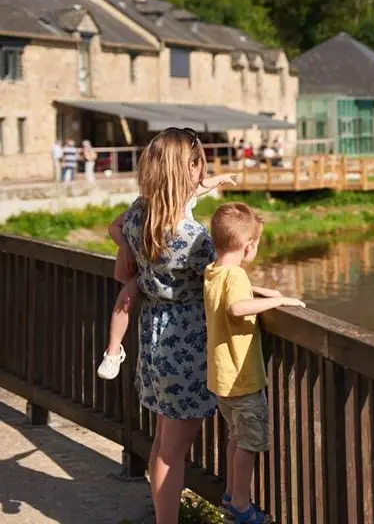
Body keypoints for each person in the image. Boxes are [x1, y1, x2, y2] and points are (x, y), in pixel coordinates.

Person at [118, 127, 221, 524]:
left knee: (164, 439)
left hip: (154, 331)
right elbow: (220, 283)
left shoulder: (140, 214)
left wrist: (123, 251)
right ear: (189, 167)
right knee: (173, 448)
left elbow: (121, 225)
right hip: (187, 341)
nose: (204, 170)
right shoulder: (193, 237)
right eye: (199, 163)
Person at [204, 202, 304, 523]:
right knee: (248, 443)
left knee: (236, 437)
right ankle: (242, 508)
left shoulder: (214, 270)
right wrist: (278, 300)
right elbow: (235, 307)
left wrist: (260, 289)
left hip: (222, 379)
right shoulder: (234, 274)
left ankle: (232, 495)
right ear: (248, 247)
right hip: (242, 379)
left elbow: (230, 293)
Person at [96, 167, 237, 381]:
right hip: (157, 275)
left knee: (129, 295)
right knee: (126, 297)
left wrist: (219, 179)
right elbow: (115, 227)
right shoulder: (162, 217)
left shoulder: (156, 205)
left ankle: (114, 351)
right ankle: (113, 350)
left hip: (157, 278)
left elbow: (200, 187)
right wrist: (126, 249)